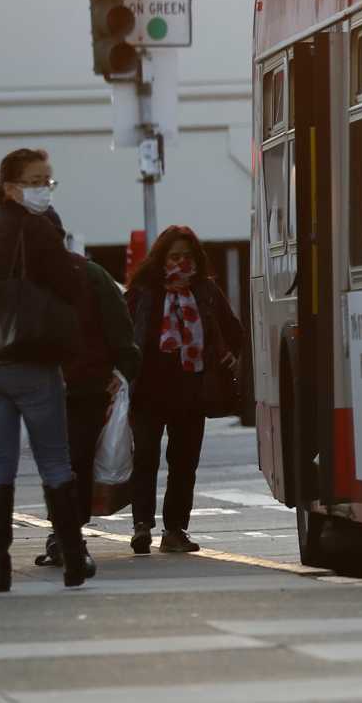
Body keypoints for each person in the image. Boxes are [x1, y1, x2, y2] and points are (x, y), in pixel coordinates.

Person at [0, 147, 92, 593]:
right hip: (31, 361)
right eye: (35, 181)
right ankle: (72, 560)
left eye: (47, 180)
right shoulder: (38, 231)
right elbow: (72, 288)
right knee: (54, 460)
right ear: (10, 187)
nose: (44, 189)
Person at [126, 226, 244, 554]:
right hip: (148, 390)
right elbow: (124, 332)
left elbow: (234, 330)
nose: (181, 262)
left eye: (187, 256)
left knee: (184, 463)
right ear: (161, 258)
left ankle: (175, 529)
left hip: (193, 390)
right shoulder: (144, 291)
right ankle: (142, 526)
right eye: (174, 256)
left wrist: (230, 357)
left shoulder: (205, 291)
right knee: (146, 458)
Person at [33, 237, 139, 574]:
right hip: (86, 384)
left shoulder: (25, 275)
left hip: (47, 384)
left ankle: (63, 532)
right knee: (74, 459)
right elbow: (119, 325)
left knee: (57, 459)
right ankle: (68, 532)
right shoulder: (91, 274)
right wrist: (123, 367)